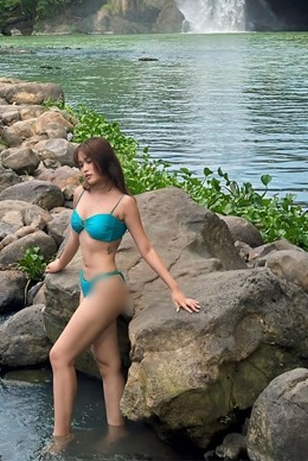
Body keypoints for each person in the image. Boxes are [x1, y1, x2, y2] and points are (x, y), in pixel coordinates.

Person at [45, 136, 200, 443]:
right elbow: (75, 237)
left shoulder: (124, 203)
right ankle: (117, 433)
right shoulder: (80, 194)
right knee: (107, 364)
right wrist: (60, 263)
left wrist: (175, 289)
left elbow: (146, 248)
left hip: (108, 287)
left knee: (60, 356)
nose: (85, 169)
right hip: (86, 286)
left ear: (105, 161)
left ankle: (61, 438)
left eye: (90, 162)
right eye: (80, 164)